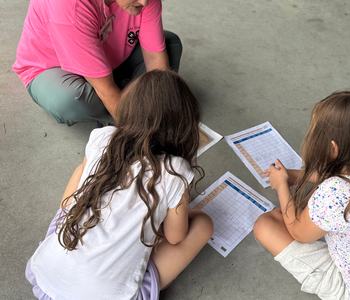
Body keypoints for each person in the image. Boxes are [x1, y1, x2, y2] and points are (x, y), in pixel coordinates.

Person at [25, 70, 214, 300]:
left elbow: (69, 200)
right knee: (204, 224)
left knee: (77, 199)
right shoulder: (176, 172)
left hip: (46, 276)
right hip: (111, 295)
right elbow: (175, 237)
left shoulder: (102, 138)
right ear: (185, 127)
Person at [253, 91, 350, 299]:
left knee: (267, 225)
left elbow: (298, 233)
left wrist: (281, 186)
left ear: (333, 147)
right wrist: (297, 175)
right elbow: (349, 172)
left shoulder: (334, 194)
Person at [13, 0, 182, 125]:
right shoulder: (68, 5)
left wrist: (163, 112)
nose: (144, 2)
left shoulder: (143, 0)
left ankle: (126, 98)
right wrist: (140, 134)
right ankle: (122, 106)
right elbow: (105, 89)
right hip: (53, 68)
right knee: (71, 99)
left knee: (170, 45)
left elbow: (156, 62)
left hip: (110, 58)